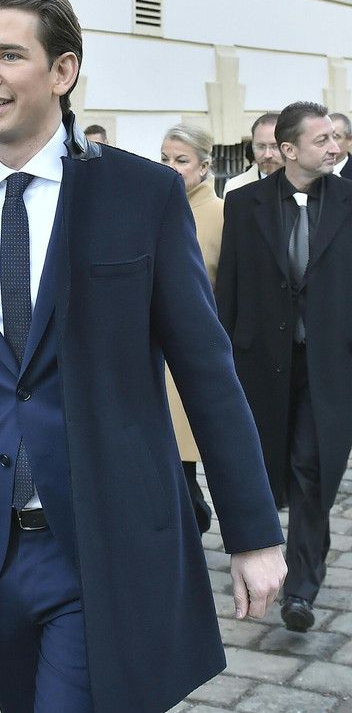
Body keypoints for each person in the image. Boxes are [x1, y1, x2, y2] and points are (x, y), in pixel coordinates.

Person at [0, 0, 287, 711]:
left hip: (103, 543)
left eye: (8, 55)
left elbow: (206, 370)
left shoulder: (142, 194)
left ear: (63, 71)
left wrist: (254, 533)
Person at [217, 101, 352, 633]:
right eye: (323, 140)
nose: (335, 147)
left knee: (312, 470)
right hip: (261, 362)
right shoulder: (243, 203)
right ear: (289, 149)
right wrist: (223, 356)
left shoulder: (349, 200)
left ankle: (300, 590)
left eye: (336, 138)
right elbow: (230, 285)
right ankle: (257, 555)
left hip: (330, 365)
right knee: (264, 467)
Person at [159, 123, 225, 534]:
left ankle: (192, 526)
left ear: (204, 166)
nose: (170, 167)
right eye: (164, 158)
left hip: (192, 355)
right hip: (151, 352)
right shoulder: (156, 206)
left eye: (181, 160)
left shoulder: (220, 214)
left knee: (180, 462)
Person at [223, 113, 282, 196]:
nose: (267, 155)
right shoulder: (235, 188)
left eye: (275, 147)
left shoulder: (301, 184)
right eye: (261, 146)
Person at [331, 112, 352, 178]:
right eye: (324, 137)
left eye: (335, 137)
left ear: (349, 140)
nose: (328, 143)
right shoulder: (311, 171)